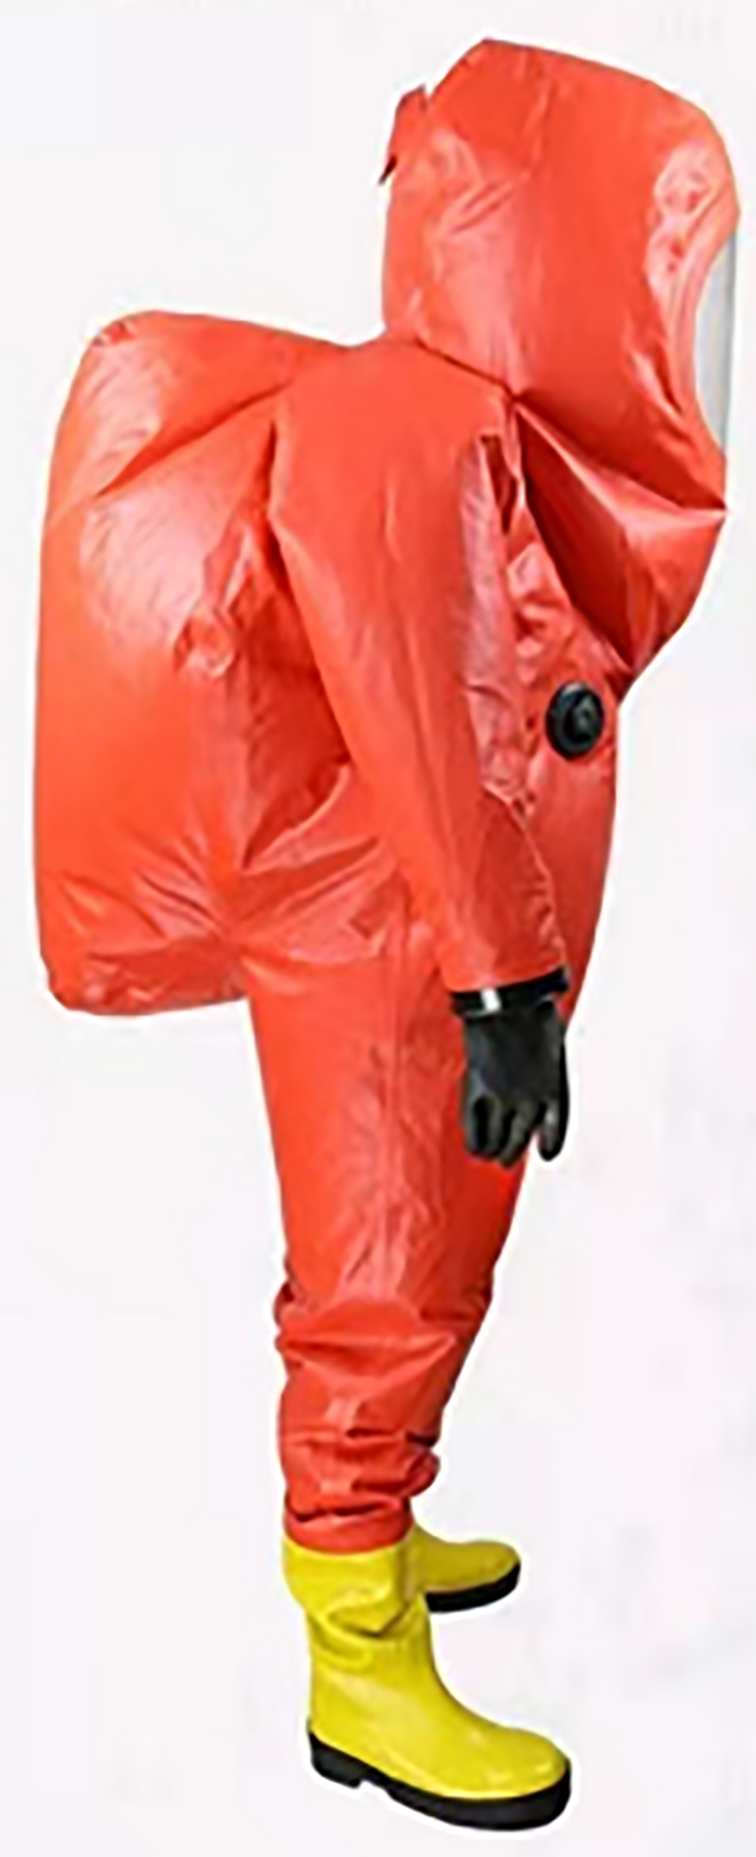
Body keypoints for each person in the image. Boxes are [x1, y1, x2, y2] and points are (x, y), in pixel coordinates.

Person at [34, 38, 739, 1832]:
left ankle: (381, 1520)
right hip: (385, 928)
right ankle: (354, 1641)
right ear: (571, 274)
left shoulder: (456, 436)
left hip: (408, 916)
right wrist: (502, 976)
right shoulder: (408, 427)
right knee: (387, 1265)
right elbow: (426, 699)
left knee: (425, 1244)